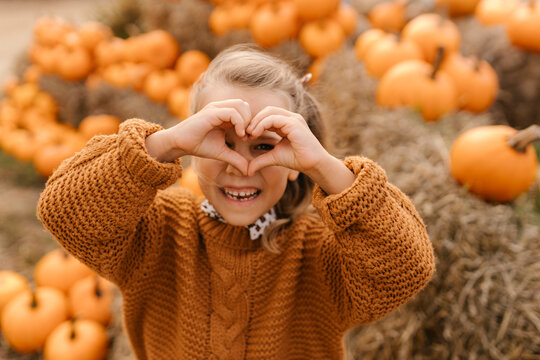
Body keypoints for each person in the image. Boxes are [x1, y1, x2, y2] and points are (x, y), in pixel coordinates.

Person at [38, 44, 435, 360]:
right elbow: (62, 209)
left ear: (297, 163)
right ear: (192, 148)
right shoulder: (157, 235)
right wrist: (167, 143)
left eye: (265, 147)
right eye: (220, 143)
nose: (242, 167)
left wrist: (324, 167)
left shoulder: (320, 255)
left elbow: (409, 265)